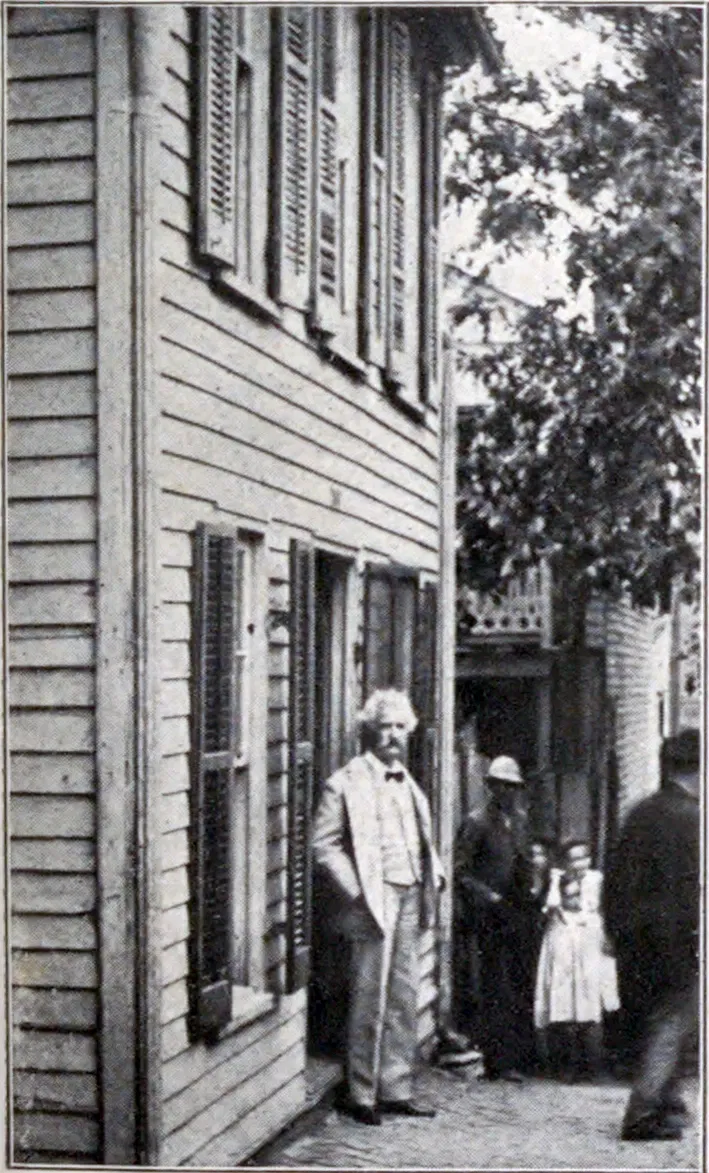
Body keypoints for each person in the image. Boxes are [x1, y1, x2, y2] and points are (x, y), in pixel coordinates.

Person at [312, 689, 445, 1126]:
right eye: (384, 726)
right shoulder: (345, 781)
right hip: (374, 898)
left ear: (409, 733)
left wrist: (434, 872)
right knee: (370, 997)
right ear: (369, 731)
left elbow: (423, 840)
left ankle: (395, 1088)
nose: (392, 735)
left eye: (399, 727)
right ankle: (361, 1093)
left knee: (403, 996)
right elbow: (323, 845)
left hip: (409, 893)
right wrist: (357, 893)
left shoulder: (408, 783)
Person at [604, 729, 700, 1141]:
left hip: (634, 942)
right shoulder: (695, 819)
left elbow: (614, 881)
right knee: (673, 1022)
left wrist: (616, 932)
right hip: (677, 941)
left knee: (658, 1022)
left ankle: (669, 1104)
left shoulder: (639, 813)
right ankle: (642, 1111)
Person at [453, 755, 532, 1081]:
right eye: (501, 786)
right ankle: (495, 1061)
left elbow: (521, 861)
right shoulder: (476, 822)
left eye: (513, 787)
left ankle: (514, 1058)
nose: (508, 792)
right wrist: (488, 897)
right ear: (491, 787)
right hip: (486, 917)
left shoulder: (518, 821)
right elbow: (461, 872)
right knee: (492, 986)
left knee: (515, 985)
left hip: (514, 912)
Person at [534, 841, 618, 1082]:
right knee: (563, 996)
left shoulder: (596, 881)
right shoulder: (557, 882)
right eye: (573, 859)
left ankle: (592, 1065)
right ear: (564, 862)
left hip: (590, 940)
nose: (579, 864)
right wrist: (553, 883)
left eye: (584, 858)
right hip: (562, 939)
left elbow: (603, 910)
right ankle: (565, 1064)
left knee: (590, 996)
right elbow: (550, 909)